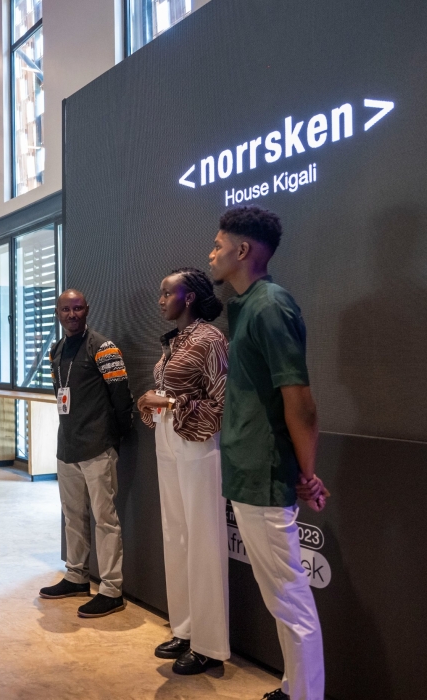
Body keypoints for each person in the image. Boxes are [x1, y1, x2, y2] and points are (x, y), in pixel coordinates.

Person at [208, 205, 328, 699]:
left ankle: (305, 694)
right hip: (249, 469)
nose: (211, 254)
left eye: (218, 245)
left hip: (264, 471)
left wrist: (307, 473)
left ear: (242, 250)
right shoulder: (248, 305)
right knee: (281, 596)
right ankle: (293, 686)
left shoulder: (271, 305)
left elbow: (299, 400)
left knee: (289, 597)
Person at [136, 269, 230, 675]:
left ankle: (209, 644)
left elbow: (223, 403)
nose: (160, 300)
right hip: (167, 437)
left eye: (167, 293)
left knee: (203, 538)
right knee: (175, 534)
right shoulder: (174, 341)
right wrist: (153, 401)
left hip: (197, 441)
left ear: (188, 297)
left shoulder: (210, 339)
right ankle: (185, 629)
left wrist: (170, 403)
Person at [39, 289, 134, 618]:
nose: (72, 314)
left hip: (97, 446)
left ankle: (111, 589)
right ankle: (77, 576)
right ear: (58, 313)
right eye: (66, 309)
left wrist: (115, 436)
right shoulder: (56, 350)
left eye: (77, 308)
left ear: (87, 310)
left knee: (105, 520)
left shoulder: (104, 348)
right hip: (67, 446)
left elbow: (121, 396)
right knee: (73, 516)